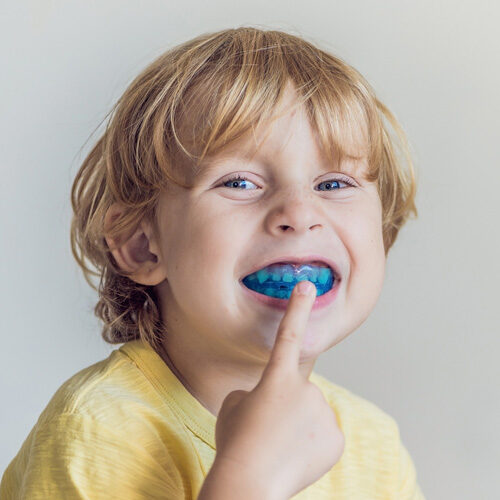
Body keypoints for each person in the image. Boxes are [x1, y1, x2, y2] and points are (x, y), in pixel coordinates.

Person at [0, 27, 425, 499]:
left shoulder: (374, 446)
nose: (301, 214)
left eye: (333, 184)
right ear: (142, 245)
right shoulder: (101, 429)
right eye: (239, 183)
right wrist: (249, 480)